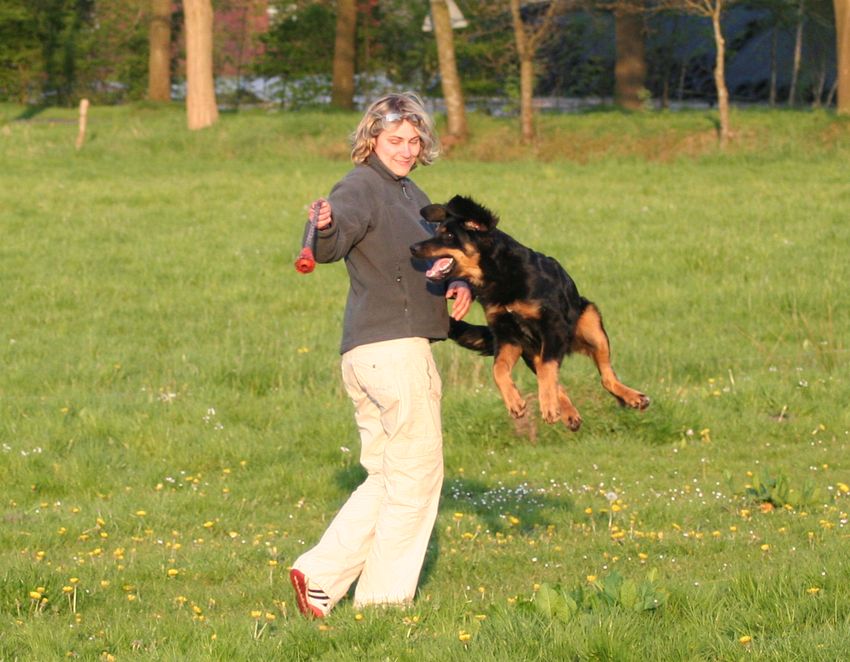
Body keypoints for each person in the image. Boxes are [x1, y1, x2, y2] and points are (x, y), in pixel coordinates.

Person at [289, 92, 472, 618]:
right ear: (371, 139)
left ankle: (319, 577)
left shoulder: (410, 192)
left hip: (377, 352)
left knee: (389, 474)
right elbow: (331, 242)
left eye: (415, 140)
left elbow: (429, 259)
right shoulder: (360, 186)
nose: (407, 149)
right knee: (416, 477)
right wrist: (326, 226)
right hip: (394, 353)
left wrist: (457, 280)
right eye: (395, 139)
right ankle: (384, 603)